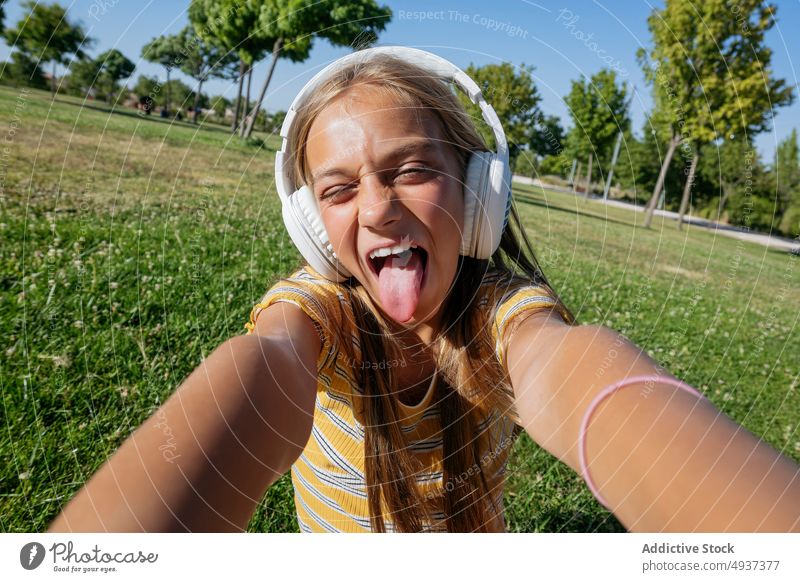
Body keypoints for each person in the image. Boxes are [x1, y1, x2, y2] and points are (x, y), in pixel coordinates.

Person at [49, 47, 800, 533]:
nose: (377, 208)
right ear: (313, 227)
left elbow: (573, 373)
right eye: (339, 189)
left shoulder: (506, 316)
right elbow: (262, 370)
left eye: (411, 169)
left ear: (479, 193)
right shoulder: (314, 314)